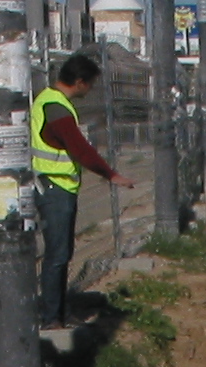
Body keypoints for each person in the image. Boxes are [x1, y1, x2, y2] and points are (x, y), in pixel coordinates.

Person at [31, 52, 135, 328]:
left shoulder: (46, 99)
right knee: (57, 255)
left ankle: (59, 312)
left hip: (52, 185)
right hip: (55, 187)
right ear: (79, 82)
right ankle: (52, 316)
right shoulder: (58, 109)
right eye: (89, 85)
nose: (90, 91)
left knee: (59, 254)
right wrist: (110, 174)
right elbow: (79, 149)